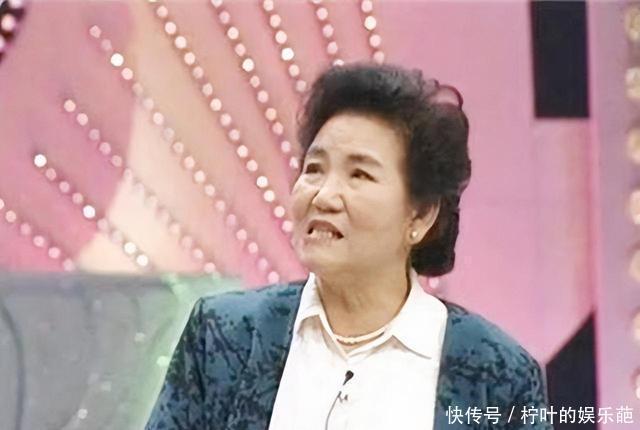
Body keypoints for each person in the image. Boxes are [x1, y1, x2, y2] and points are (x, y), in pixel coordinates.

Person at [145, 63, 551, 430]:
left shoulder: (497, 373)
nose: (323, 196)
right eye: (314, 169)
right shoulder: (223, 335)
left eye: (359, 175)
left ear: (420, 216)